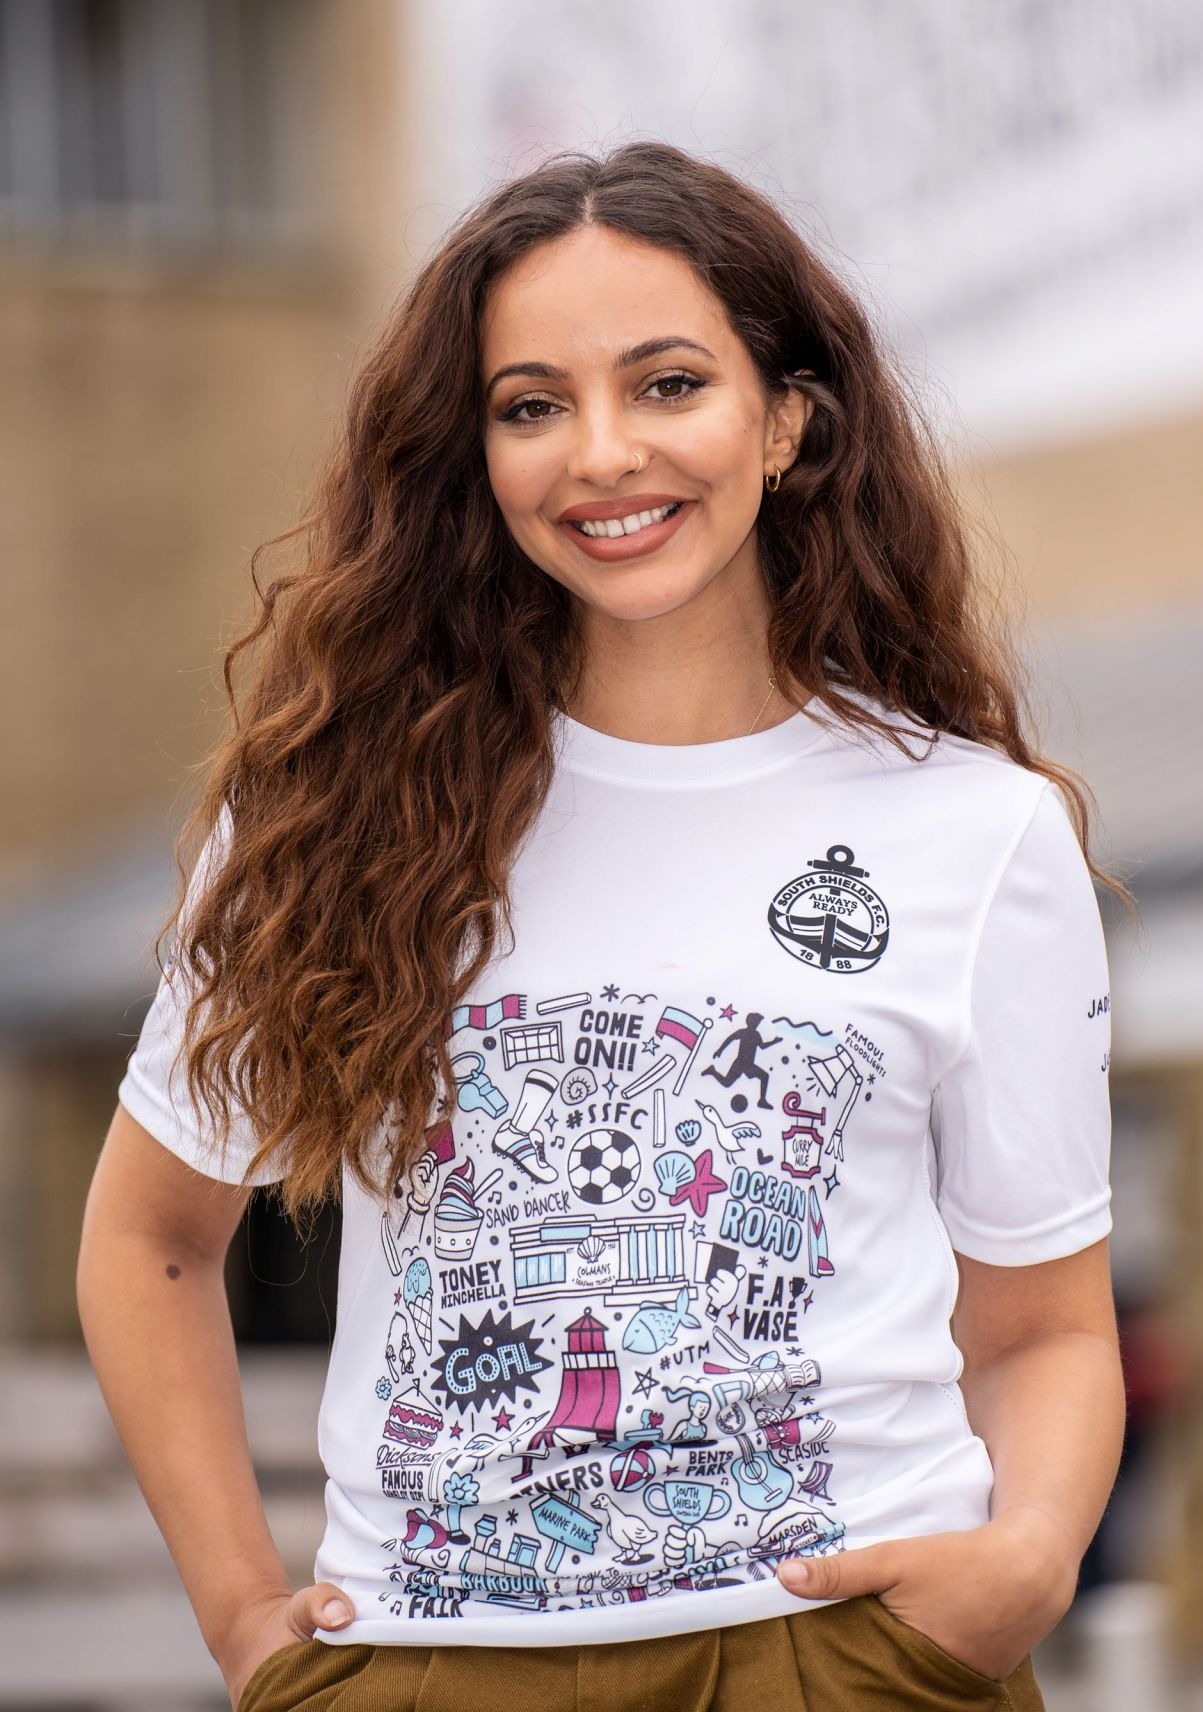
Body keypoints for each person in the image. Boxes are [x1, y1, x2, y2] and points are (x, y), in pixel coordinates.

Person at [77, 140, 1134, 1712]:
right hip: (429, 1665)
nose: (602, 455)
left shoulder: (976, 834)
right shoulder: (333, 815)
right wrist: (248, 1627)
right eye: (531, 405)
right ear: (477, 454)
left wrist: (1026, 1560)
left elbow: (1045, 1323)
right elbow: (151, 1240)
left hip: (838, 1653)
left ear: (786, 420)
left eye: (667, 385)